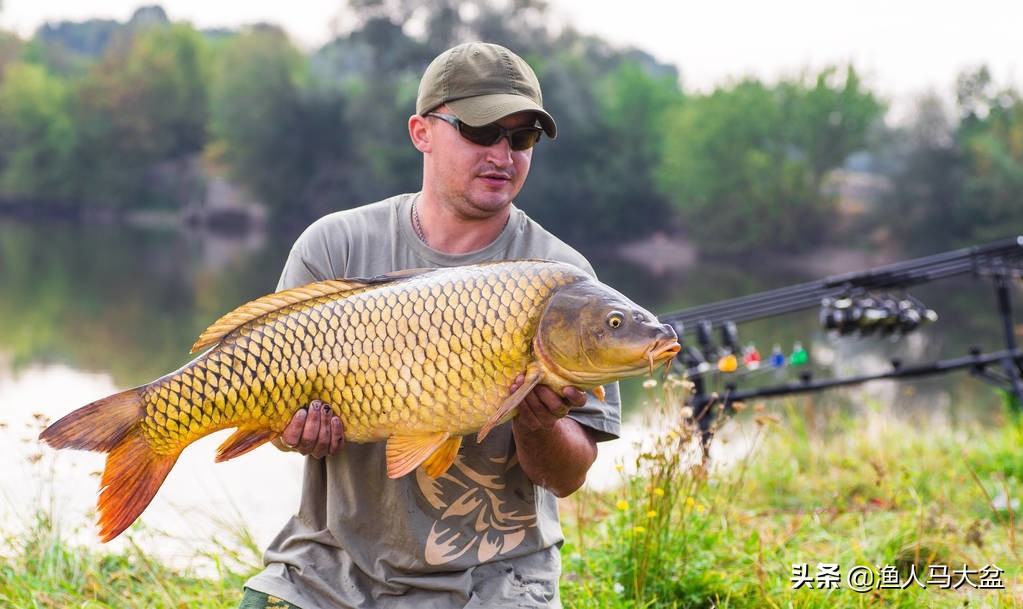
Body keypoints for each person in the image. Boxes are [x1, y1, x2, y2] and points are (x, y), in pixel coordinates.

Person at [240, 41, 622, 609]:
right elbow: (274, 417)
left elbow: (567, 478)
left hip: (494, 582)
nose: (503, 154)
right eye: (481, 130)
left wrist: (539, 423)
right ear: (421, 132)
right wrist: (287, 430)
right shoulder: (335, 246)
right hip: (330, 570)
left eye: (522, 138)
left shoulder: (566, 286)